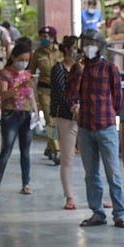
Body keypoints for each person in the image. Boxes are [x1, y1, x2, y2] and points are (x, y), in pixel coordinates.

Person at [68, 29, 124, 228]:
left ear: (101, 46)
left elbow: (117, 98)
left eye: (92, 42)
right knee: (91, 173)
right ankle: (97, 212)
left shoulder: (110, 68)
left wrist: (111, 114)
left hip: (106, 127)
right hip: (85, 128)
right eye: (85, 42)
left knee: (113, 172)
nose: (88, 46)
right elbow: (71, 94)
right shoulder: (78, 69)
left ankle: (120, 213)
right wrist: (77, 72)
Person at [0, 42, 37, 197]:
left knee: (26, 151)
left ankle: (26, 183)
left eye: (27, 59)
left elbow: (31, 95)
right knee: (6, 149)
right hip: (11, 114)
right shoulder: (4, 74)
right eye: (21, 59)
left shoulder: (27, 74)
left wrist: (36, 112)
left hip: (26, 113)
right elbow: (3, 95)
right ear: (14, 57)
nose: (24, 62)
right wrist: (20, 86)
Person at [51, 35, 80, 210]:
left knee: (92, 159)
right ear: (67, 49)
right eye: (74, 47)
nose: (76, 51)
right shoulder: (59, 69)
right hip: (66, 116)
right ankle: (69, 196)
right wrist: (72, 106)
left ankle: (97, 195)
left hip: (86, 116)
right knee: (67, 157)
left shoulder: (83, 68)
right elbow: (60, 93)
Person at [28, 26, 62, 165]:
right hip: (44, 90)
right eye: (42, 36)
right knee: (50, 121)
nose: (44, 39)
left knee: (58, 121)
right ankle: (57, 149)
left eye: (46, 37)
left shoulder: (61, 51)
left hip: (60, 90)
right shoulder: (37, 53)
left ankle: (49, 147)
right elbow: (30, 71)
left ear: (53, 38)